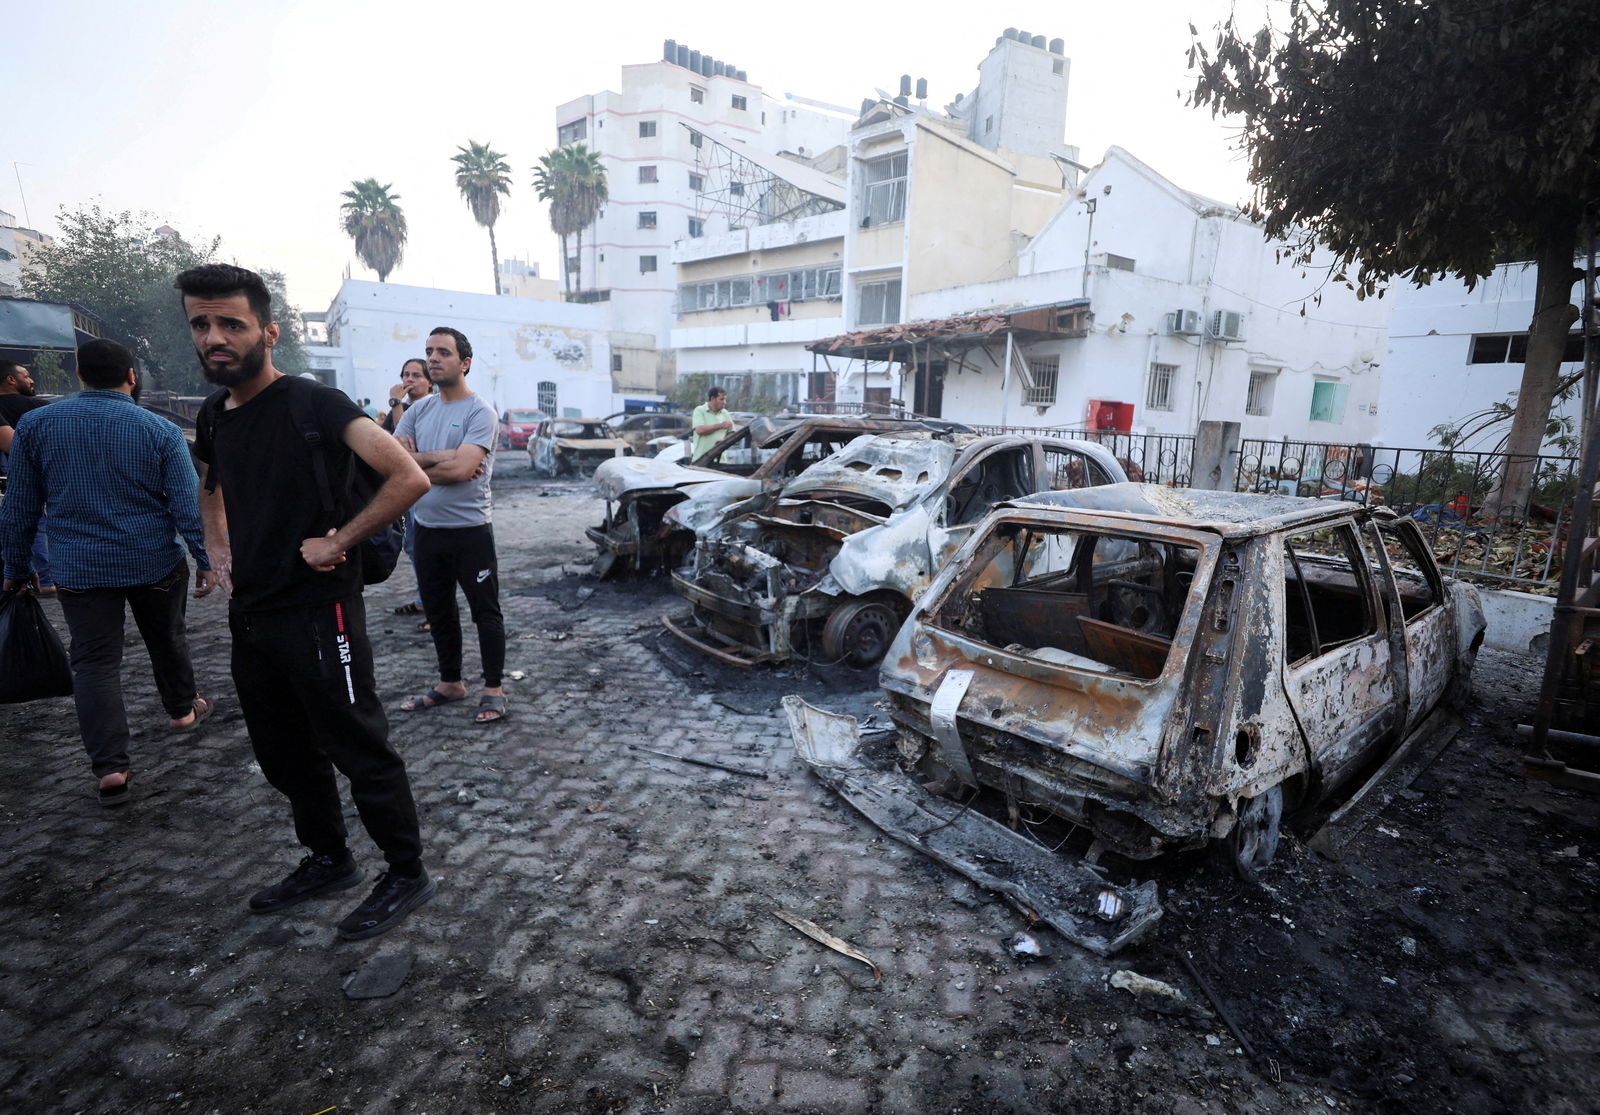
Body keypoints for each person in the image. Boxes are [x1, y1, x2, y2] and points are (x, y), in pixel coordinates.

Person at [179, 263, 436, 941]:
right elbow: (211, 483)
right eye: (201, 325)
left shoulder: (312, 403)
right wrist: (217, 549)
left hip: (323, 608)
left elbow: (407, 476)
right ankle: (329, 857)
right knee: (283, 750)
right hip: (254, 613)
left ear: (268, 330)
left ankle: (406, 871)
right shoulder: (213, 414)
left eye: (229, 323)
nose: (214, 338)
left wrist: (340, 538)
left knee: (358, 743)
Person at [0, 340, 213, 806]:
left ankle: (110, 768)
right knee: (167, 638)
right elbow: (184, 503)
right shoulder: (158, 430)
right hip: (153, 559)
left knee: (94, 663)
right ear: (131, 376)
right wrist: (204, 558)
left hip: (79, 567)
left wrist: (16, 568)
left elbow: (18, 508)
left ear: (79, 374)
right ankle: (181, 710)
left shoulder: (36, 425)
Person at [394, 326, 507, 724]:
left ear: (465, 362)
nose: (433, 358)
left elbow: (463, 470)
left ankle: (493, 687)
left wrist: (419, 460)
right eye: (429, 351)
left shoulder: (480, 412)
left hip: (470, 531)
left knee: (484, 612)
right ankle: (451, 683)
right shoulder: (420, 410)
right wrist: (442, 459)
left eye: (443, 351)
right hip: (427, 529)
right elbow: (394, 462)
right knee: (439, 611)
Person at [383, 358, 434, 620]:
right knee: (413, 547)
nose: (409, 380)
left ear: (429, 382)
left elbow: (403, 444)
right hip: (405, 492)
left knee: (426, 550)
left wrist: (396, 404)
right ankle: (423, 600)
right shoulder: (402, 408)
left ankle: (433, 608)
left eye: (416, 375)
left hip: (426, 490)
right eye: (406, 374)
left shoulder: (430, 408)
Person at [0, 361, 54, 593]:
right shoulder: (36, 406)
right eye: (26, 375)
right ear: (11, 380)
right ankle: (45, 579)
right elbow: (15, 446)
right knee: (35, 522)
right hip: (21, 477)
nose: (31, 380)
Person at [691, 385, 734, 458]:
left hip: (721, 460)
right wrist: (720, 426)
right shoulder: (700, 410)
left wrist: (724, 441)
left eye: (725, 399)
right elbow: (700, 430)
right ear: (712, 398)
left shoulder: (725, 413)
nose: (724, 402)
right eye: (721, 399)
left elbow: (732, 433)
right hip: (701, 460)